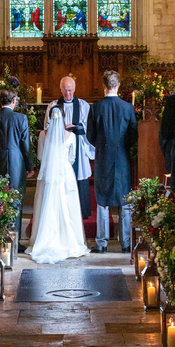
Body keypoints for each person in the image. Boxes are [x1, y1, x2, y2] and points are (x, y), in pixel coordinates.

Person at [27, 107, 91, 264]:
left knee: (46, 205)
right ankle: (69, 240)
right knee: (67, 206)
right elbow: (72, 158)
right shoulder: (71, 136)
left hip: (48, 174)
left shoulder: (43, 134)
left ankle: (43, 239)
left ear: (49, 117)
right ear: (63, 118)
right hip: (65, 174)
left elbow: (41, 157)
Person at [87, 70, 138, 253]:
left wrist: (103, 145)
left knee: (102, 200)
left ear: (104, 86)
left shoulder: (96, 108)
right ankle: (125, 243)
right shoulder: (127, 108)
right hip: (122, 158)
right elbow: (133, 135)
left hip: (103, 157)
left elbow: (90, 135)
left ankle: (101, 243)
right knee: (124, 200)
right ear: (118, 86)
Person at [0, 89, 35, 250]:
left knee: (0, 200)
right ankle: (15, 240)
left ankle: (0, 238)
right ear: (13, 101)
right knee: (16, 200)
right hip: (17, 164)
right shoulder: (21, 118)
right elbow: (25, 146)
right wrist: (30, 166)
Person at [43, 76, 95, 219]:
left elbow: (89, 127)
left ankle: (81, 212)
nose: (68, 94)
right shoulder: (53, 106)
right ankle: (61, 212)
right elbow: (47, 127)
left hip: (78, 145)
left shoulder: (84, 105)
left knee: (79, 175)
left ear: (75, 88)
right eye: (65, 91)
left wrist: (77, 127)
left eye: (70, 90)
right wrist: (60, 129)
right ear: (60, 89)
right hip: (60, 147)